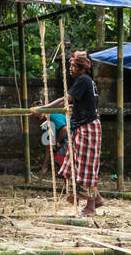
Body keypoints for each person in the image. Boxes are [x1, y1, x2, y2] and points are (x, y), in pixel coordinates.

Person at [31, 50, 101, 215]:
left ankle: (91, 207)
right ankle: (95, 198)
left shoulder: (83, 80)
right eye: (70, 65)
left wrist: (44, 108)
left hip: (88, 127)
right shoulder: (85, 81)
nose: (70, 69)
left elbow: (65, 99)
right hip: (81, 127)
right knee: (74, 163)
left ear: (82, 68)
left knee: (85, 166)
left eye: (73, 66)